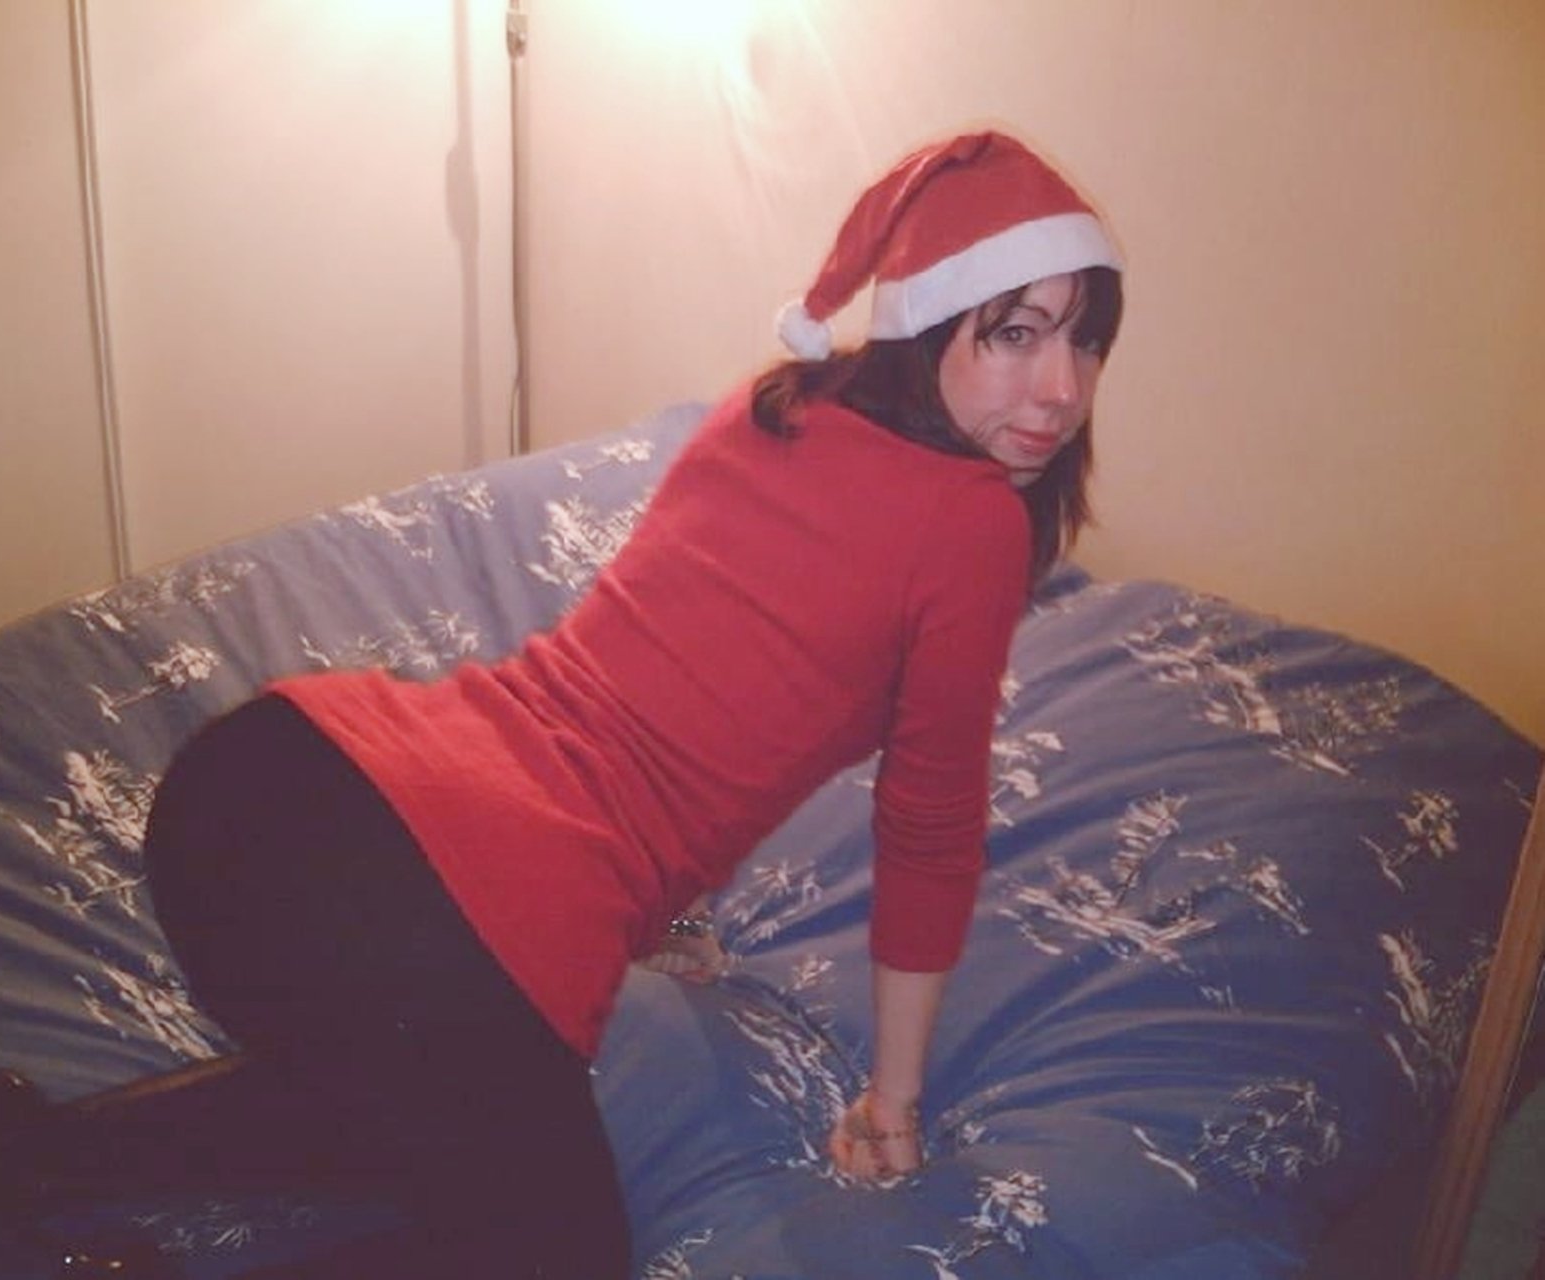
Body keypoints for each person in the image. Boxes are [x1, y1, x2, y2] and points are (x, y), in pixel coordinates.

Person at [141, 128, 1124, 1277]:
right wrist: (890, 1103)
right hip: (429, 905)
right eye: (1015, 333)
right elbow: (929, 827)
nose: (1060, 389)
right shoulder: (974, 525)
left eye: (1084, 340)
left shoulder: (774, 402)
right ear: (932, 318)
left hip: (254, 790)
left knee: (391, 1110)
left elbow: (671, 662)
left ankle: (29, 1155)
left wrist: (657, 911)